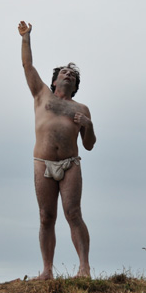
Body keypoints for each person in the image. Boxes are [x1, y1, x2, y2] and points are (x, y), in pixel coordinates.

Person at [18, 21, 96, 279]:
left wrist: (88, 125)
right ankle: (47, 270)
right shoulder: (41, 95)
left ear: (75, 86)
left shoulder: (81, 109)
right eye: (63, 72)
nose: (68, 74)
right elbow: (27, 66)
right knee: (45, 216)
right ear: (54, 81)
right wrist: (25, 37)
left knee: (73, 213)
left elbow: (89, 144)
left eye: (72, 75)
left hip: (70, 163)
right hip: (43, 162)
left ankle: (84, 269)